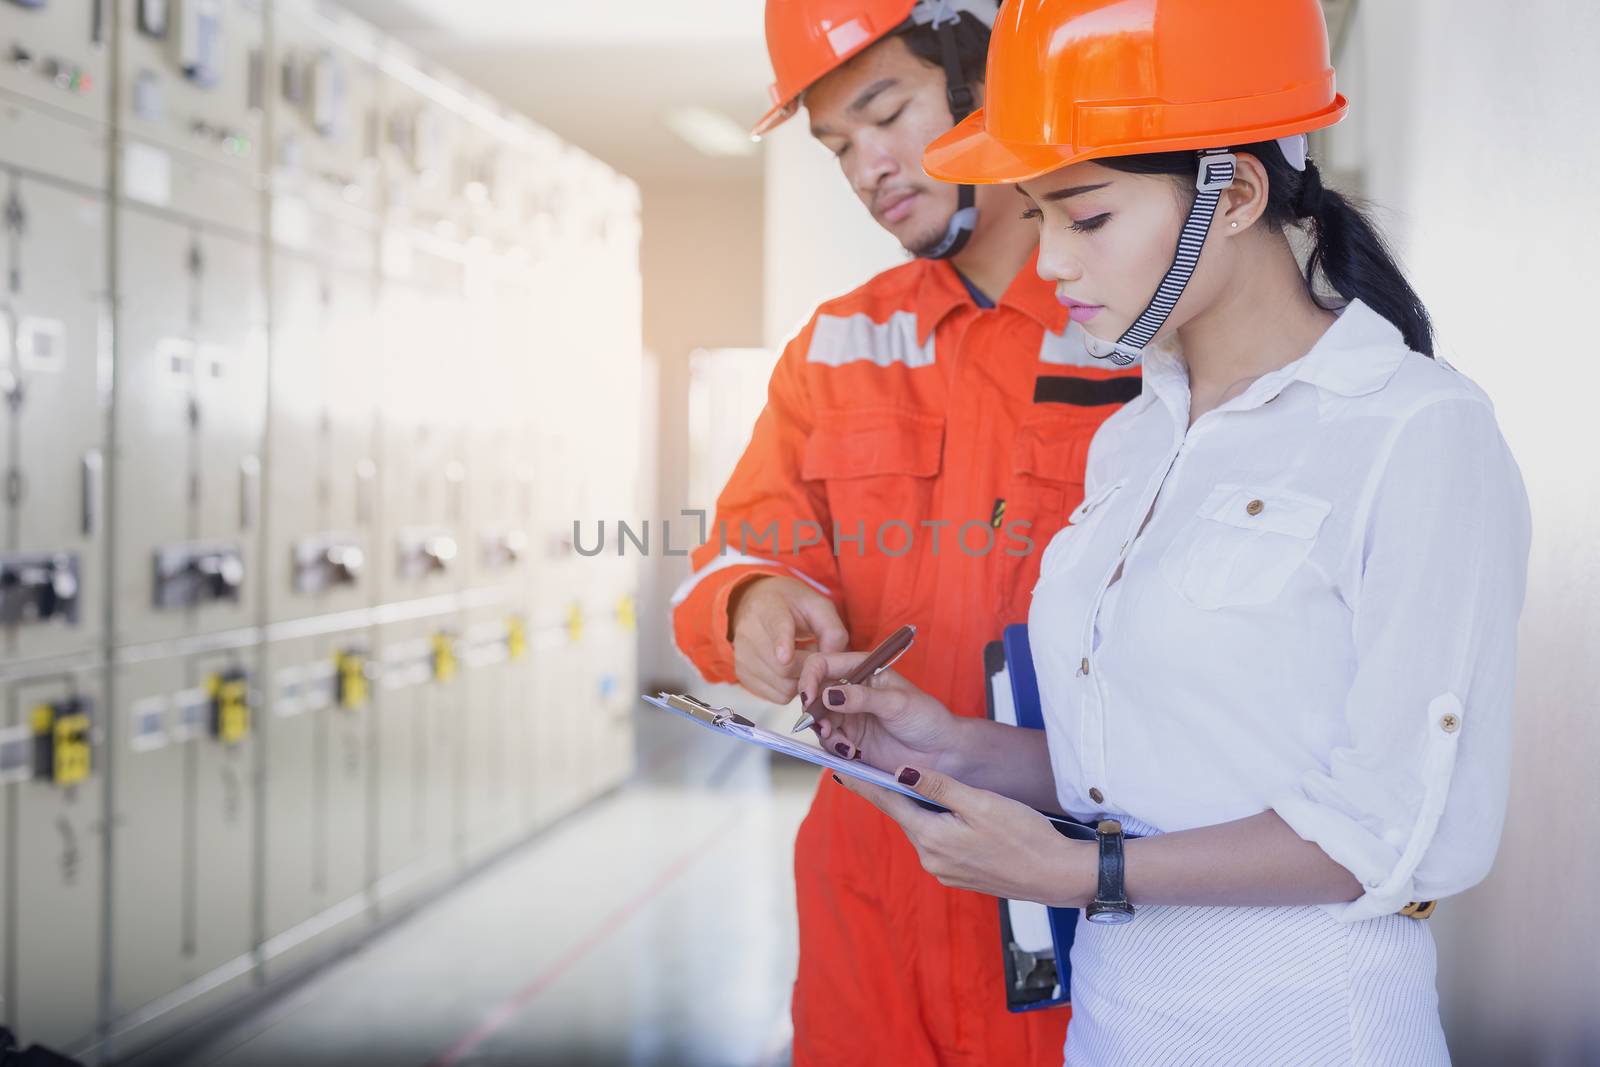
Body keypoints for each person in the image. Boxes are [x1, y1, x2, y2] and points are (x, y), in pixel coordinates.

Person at [795, 0, 1532, 1062]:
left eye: (1084, 219)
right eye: (1034, 215)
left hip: (1305, 1028)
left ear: (1228, 194)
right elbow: (1154, 764)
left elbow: (1388, 827)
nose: (1049, 264)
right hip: (1113, 1022)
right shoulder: (1137, 437)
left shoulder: (1415, 432)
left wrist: (1081, 871)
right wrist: (949, 743)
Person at [670, 2, 1139, 1063]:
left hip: (1093, 885)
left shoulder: (1138, 319)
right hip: (873, 904)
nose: (866, 165)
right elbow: (739, 548)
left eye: (886, 112)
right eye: (836, 144)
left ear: (989, 81)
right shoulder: (837, 343)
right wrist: (753, 603)